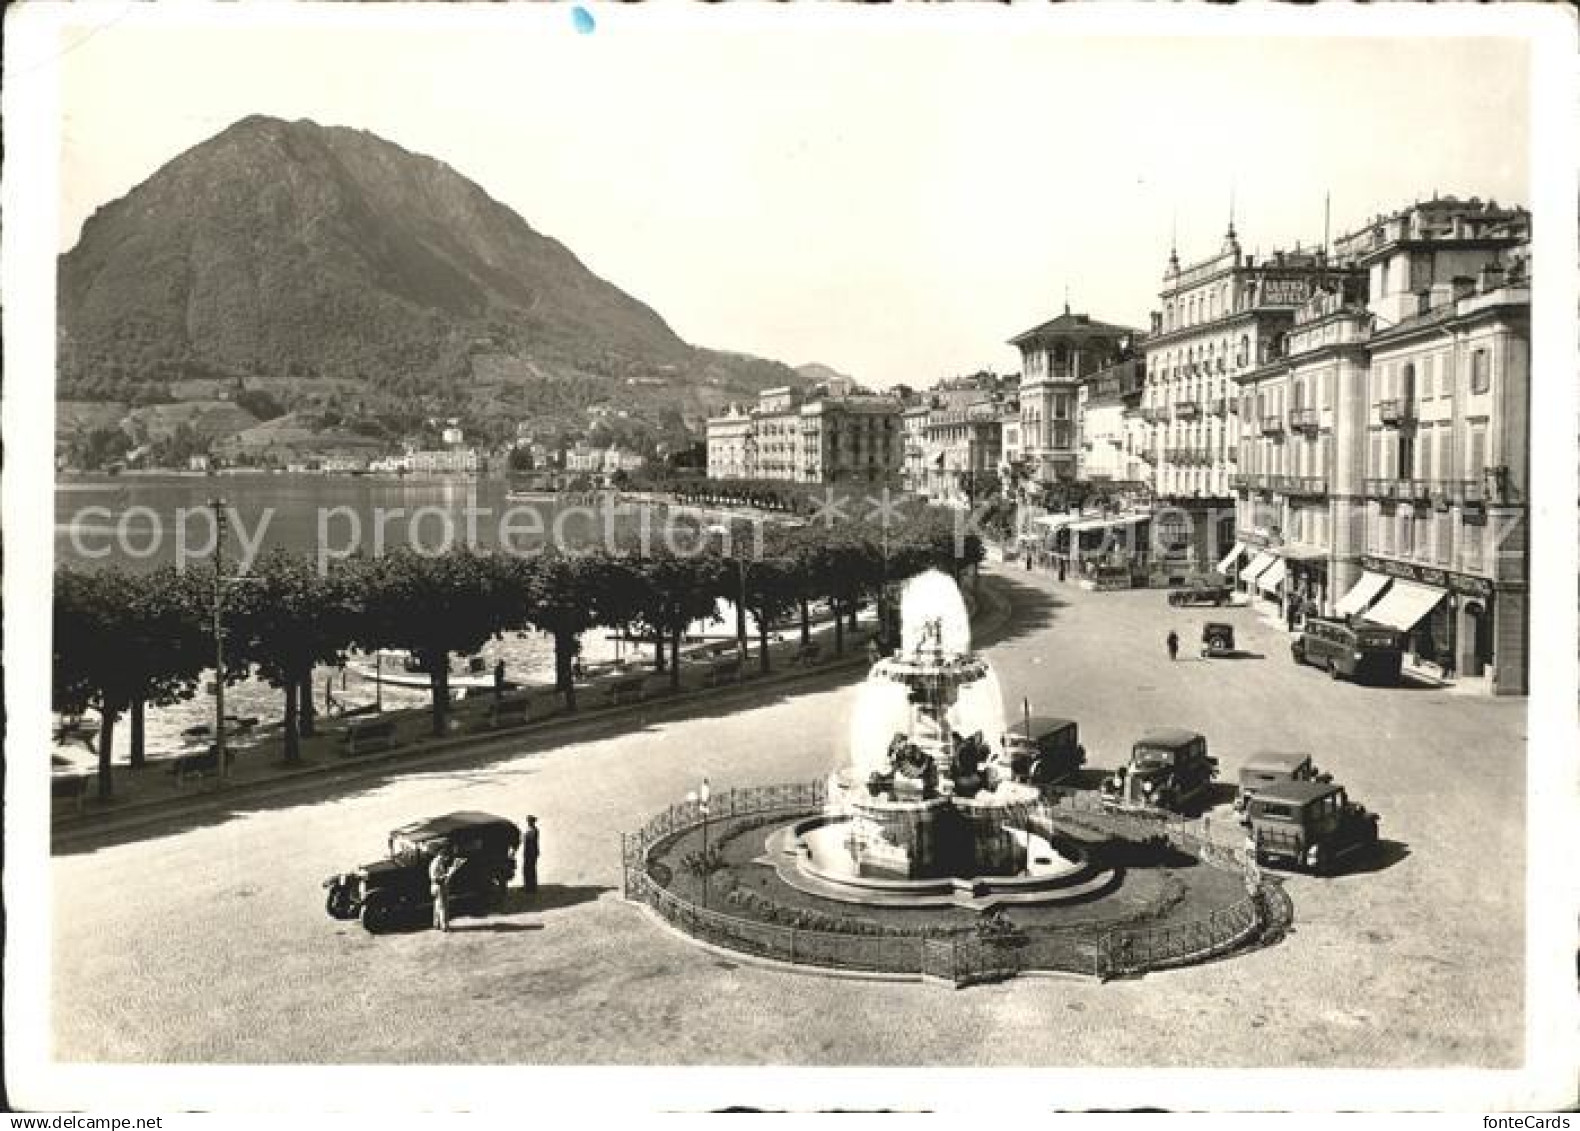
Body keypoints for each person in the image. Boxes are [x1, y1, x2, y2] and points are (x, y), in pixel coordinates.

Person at [429, 845, 462, 932]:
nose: (446, 859)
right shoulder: (437, 863)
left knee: (437, 906)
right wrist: (448, 874)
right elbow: (435, 878)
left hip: (436, 886)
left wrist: (448, 872)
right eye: (445, 856)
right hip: (439, 886)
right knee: (443, 907)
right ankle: (445, 927)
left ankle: (436, 925)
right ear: (442, 855)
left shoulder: (436, 862)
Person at [520, 815, 540, 893]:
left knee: (529, 870)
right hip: (530, 853)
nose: (528, 822)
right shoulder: (532, 830)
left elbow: (530, 842)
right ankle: (529, 886)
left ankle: (530, 888)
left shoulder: (533, 831)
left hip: (530, 853)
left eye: (529, 821)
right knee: (528, 870)